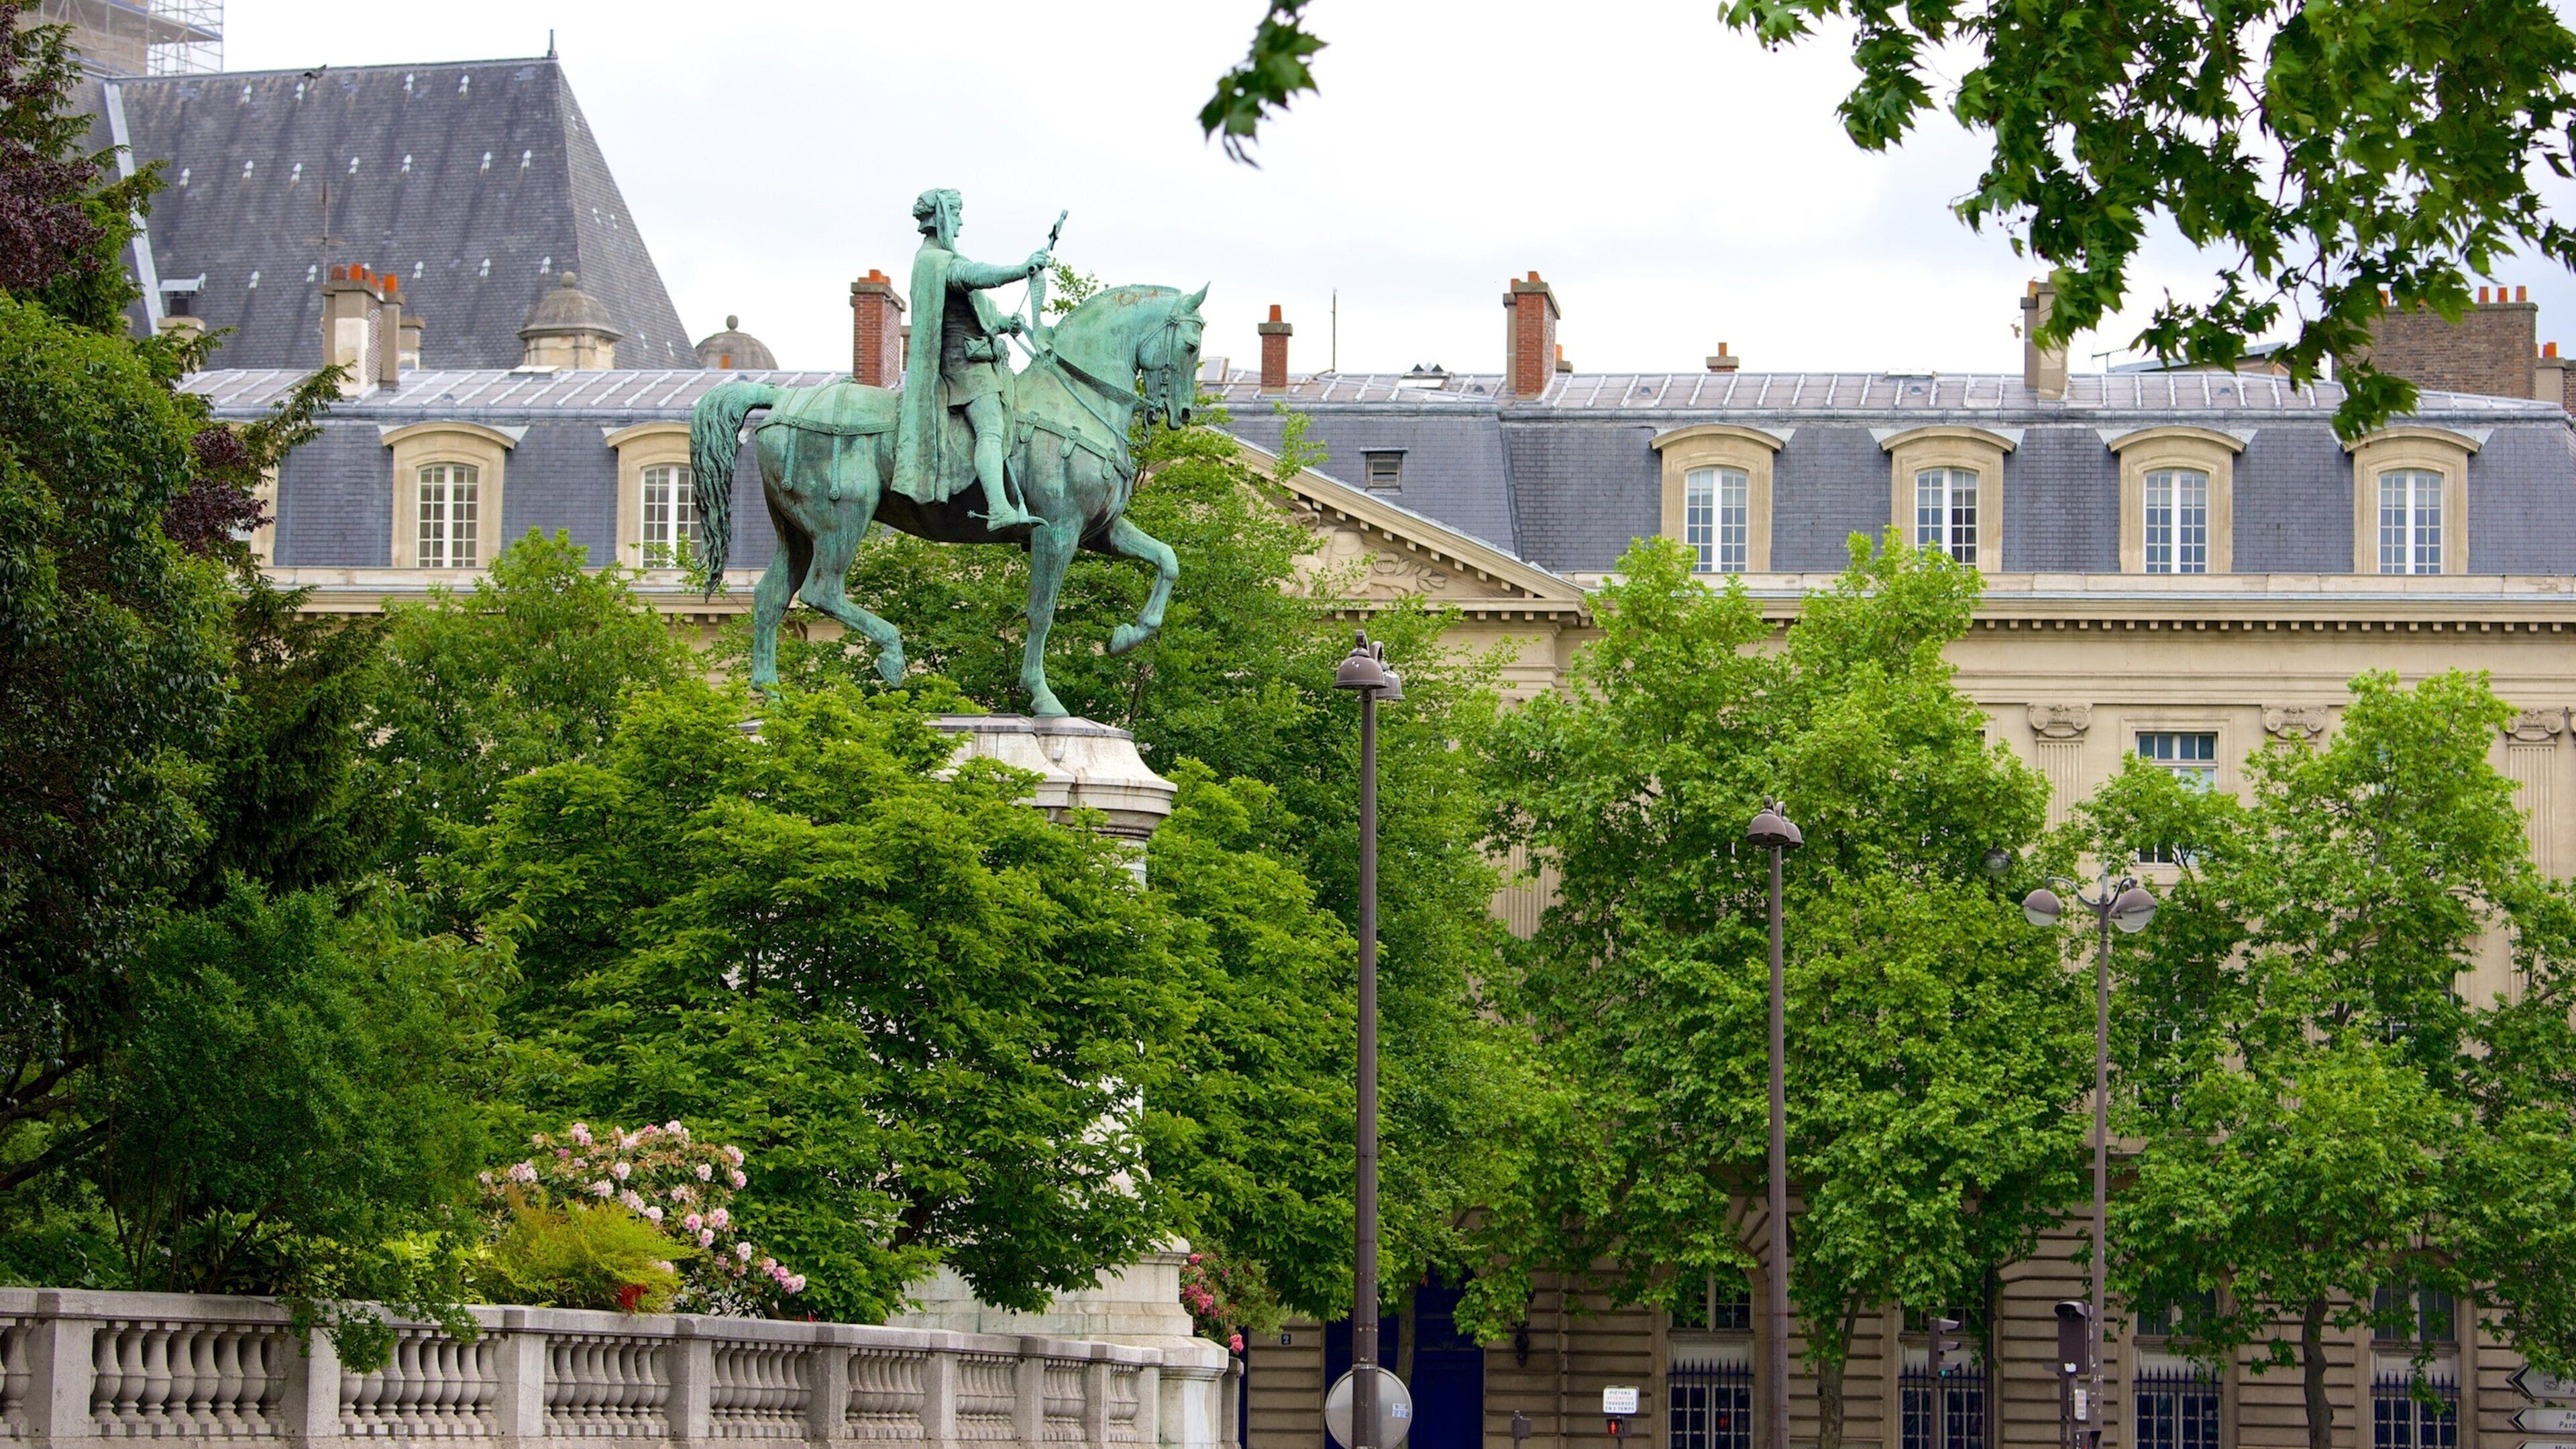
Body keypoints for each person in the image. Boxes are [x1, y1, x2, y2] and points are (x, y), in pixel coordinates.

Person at [891, 189, 1048, 530]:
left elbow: (974, 313)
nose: (961, 220)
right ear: (944, 215)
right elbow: (976, 275)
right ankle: (999, 510)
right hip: (965, 373)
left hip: (979, 365)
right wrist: (1021, 269)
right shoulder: (938, 262)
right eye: (957, 213)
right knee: (990, 429)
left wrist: (1006, 324)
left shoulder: (939, 259)